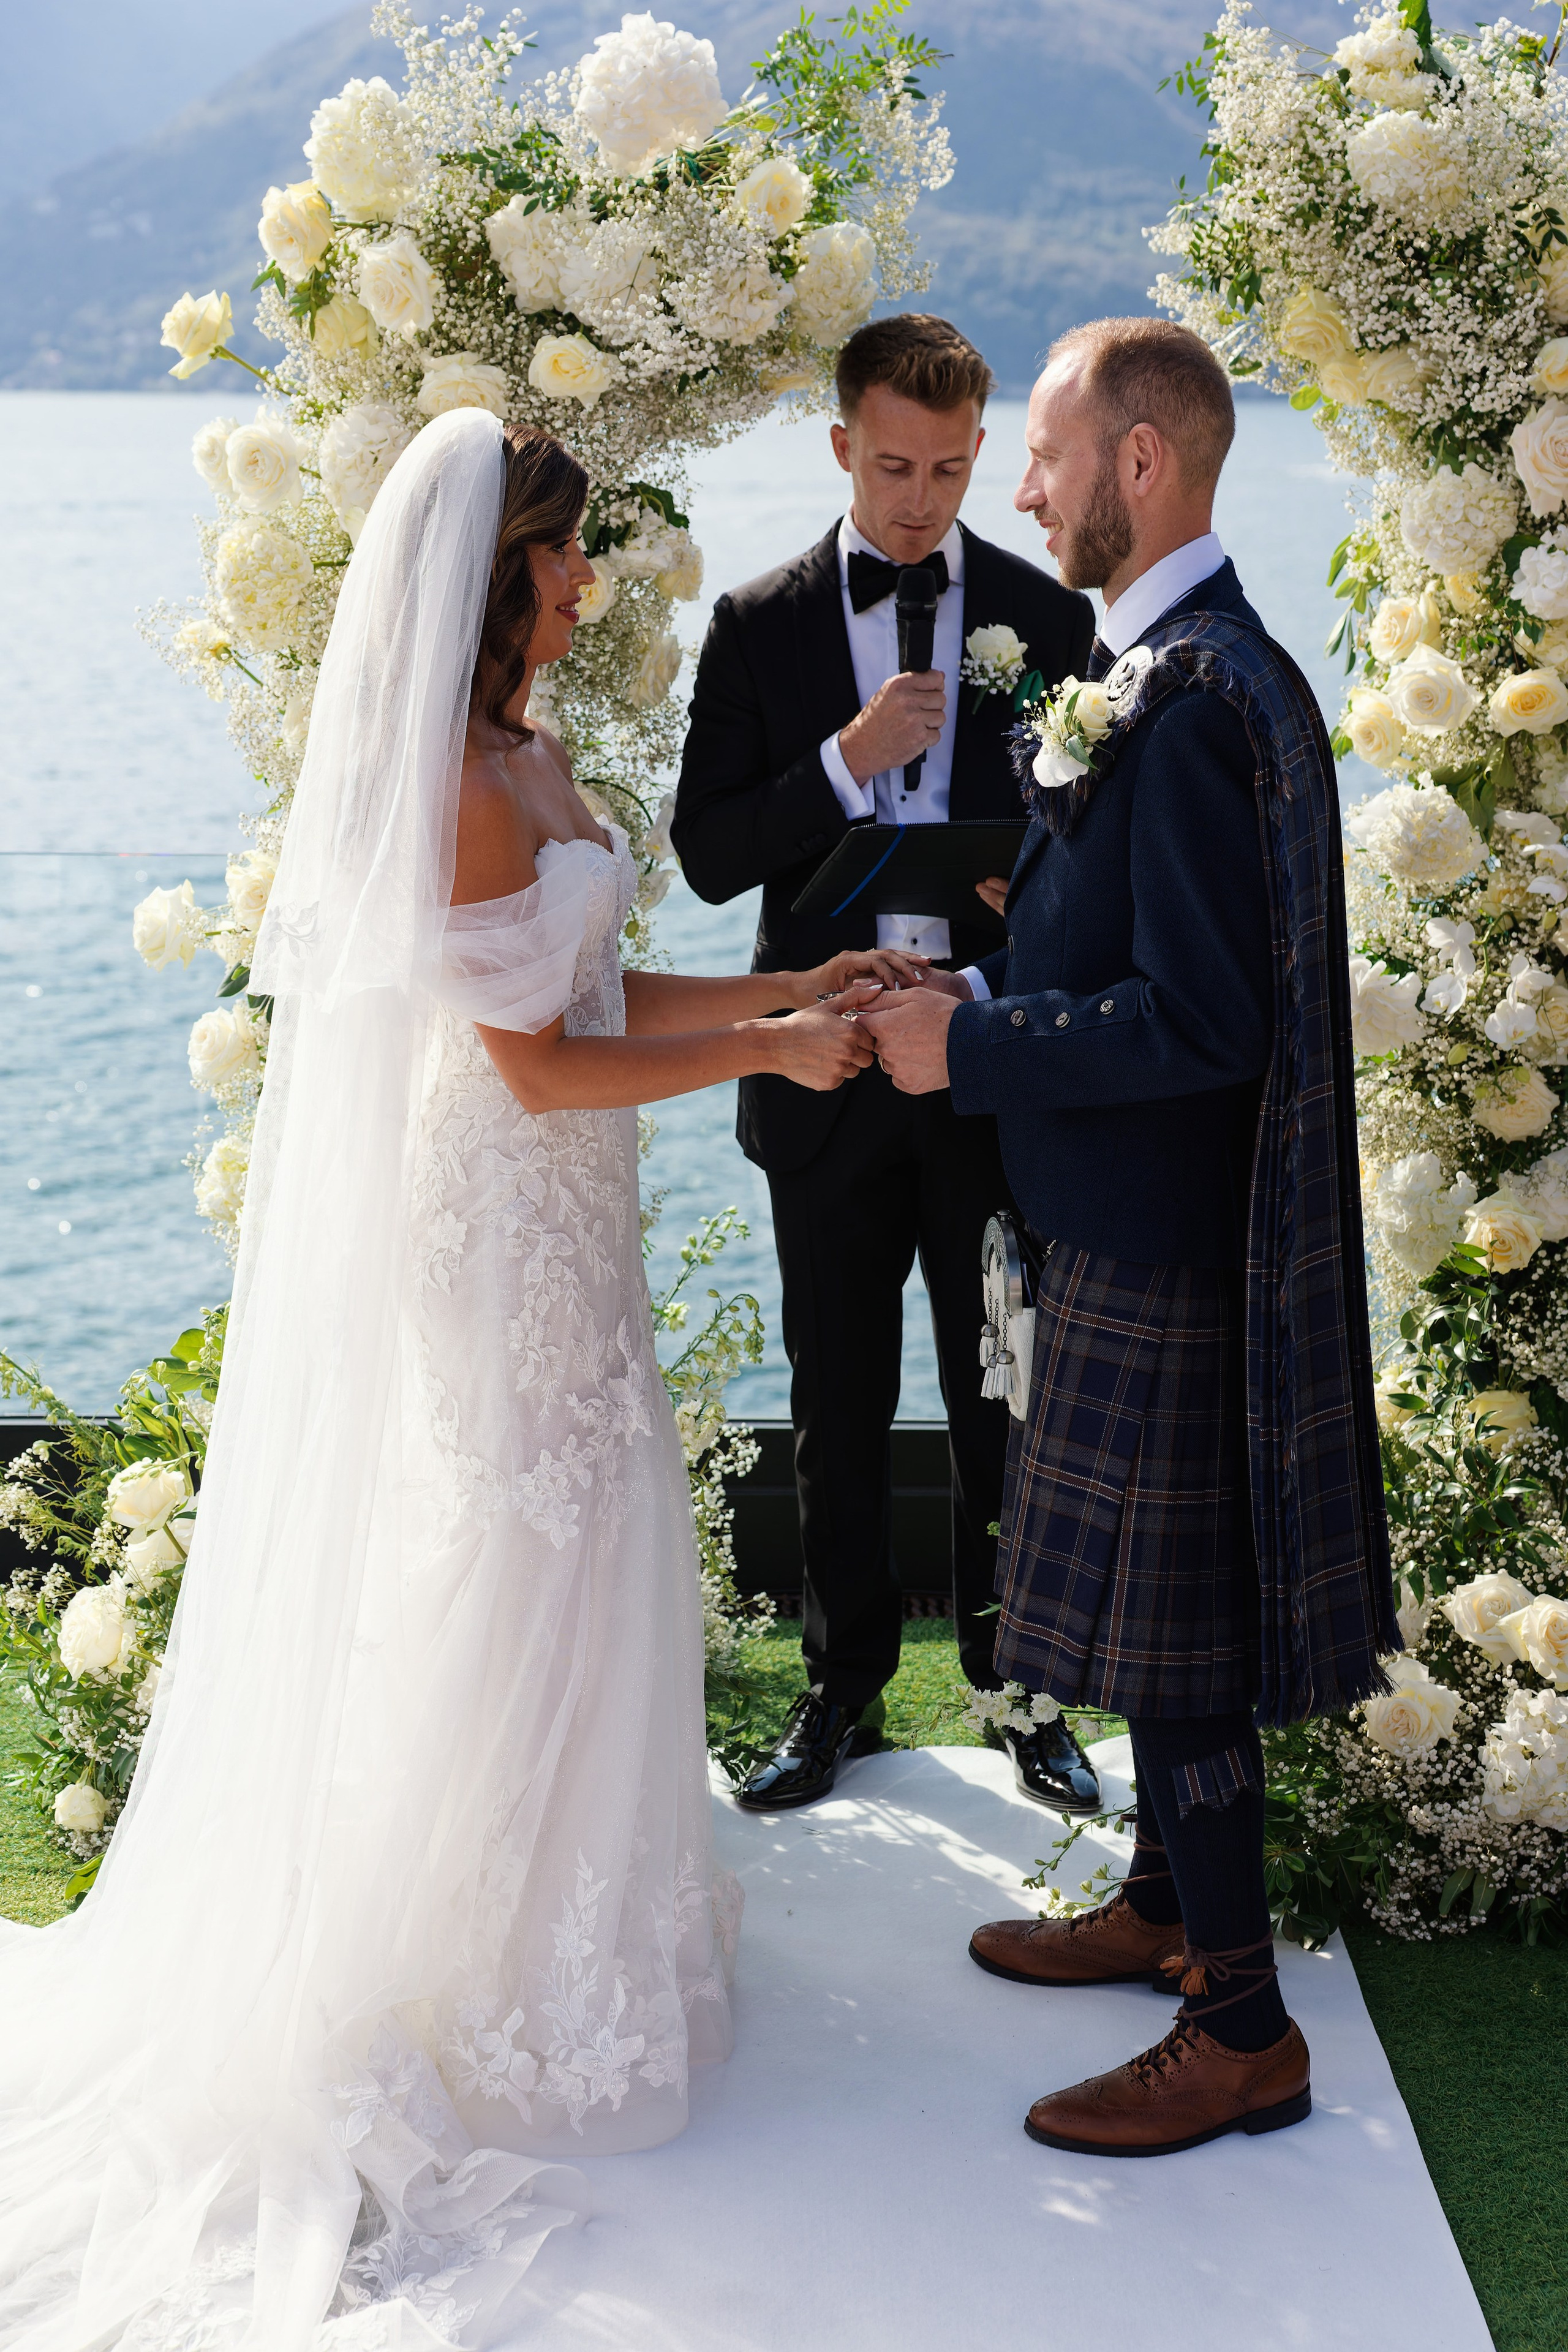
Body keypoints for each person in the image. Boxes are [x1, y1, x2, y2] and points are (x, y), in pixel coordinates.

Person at [0, 410, 913, 2345]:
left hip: (563, 1226)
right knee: (514, 1548)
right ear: (493, 574)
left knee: (594, 1540)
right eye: (566, 556)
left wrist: (781, 995)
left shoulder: (539, 759)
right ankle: (463, 1974)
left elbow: (598, 1000)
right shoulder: (457, 785)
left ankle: (563, 1939)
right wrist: (762, 1062)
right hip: (493, 1230)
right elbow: (533, 1069)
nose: (587, 584)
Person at [861, 318, 1395, 2158]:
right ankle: (1168, 1909)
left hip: (1167, 1247)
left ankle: (1239, 2024)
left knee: (1179, 1657)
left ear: (1141, 464)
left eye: (1049, 453)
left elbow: (1208, 1023)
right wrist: (1009, 956)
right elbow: (1161, 952)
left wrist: (975, 1040)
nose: (1019, 484)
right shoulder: (1182, 669)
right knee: (1167, 1637)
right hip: (1141, 1228)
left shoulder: (1189, 695)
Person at [673, 313, 1102, 1814]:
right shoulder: (755, 621)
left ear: (980, 453)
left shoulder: (1051, 629)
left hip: (979, 1061)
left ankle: (1020, 1687)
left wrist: (1020, 907)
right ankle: (837, 1687)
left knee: (1004, 1395)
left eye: (947, 466)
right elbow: (710, 856)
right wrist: (844, 761)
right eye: (892, 463)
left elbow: (1096, 862)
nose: (919, 496)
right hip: (819, 1065)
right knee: (834, 1395)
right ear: (839, 443)